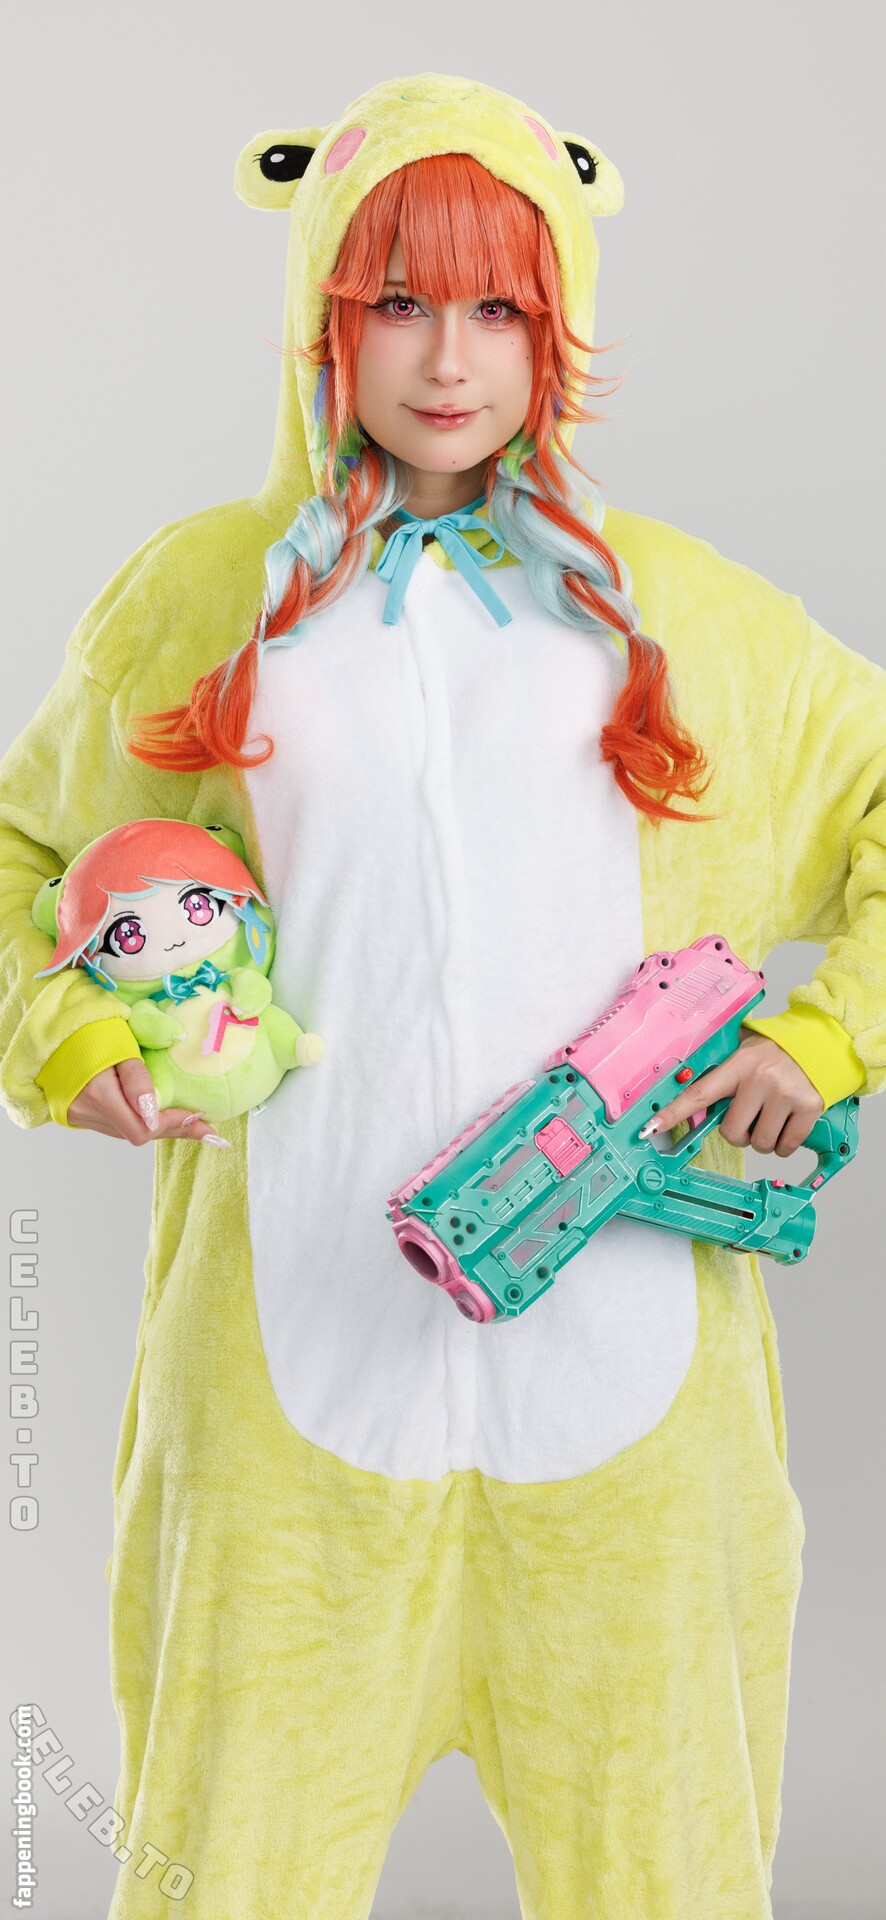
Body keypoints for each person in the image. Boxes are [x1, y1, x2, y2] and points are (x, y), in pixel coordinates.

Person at [1, 70, 884, 1920]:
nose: (449, 358)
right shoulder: (204, 606)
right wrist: (62, 1026)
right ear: (323, 312)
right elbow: (22, 857)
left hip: (628, 1395)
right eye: (396, 299)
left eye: (499, 304)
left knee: (662, 1879)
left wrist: (827, 1034)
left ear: (559, 323)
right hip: (290, 1397)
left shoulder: (682, 622)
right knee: (228, 1877)